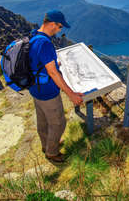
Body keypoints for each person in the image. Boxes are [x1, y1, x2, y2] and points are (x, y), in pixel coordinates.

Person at [29, 10, 84, 163]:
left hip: (35, 87)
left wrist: (53, 64)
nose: (60, 30)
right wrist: (71, 94)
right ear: (52, 24)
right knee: (59, 123)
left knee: (43, 119)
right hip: (47, 91)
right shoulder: (45, 42)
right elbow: (53, 74)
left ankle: (45, 145)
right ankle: (52, 153)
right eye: (59, 27)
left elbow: (39, 61)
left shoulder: (34, 35)